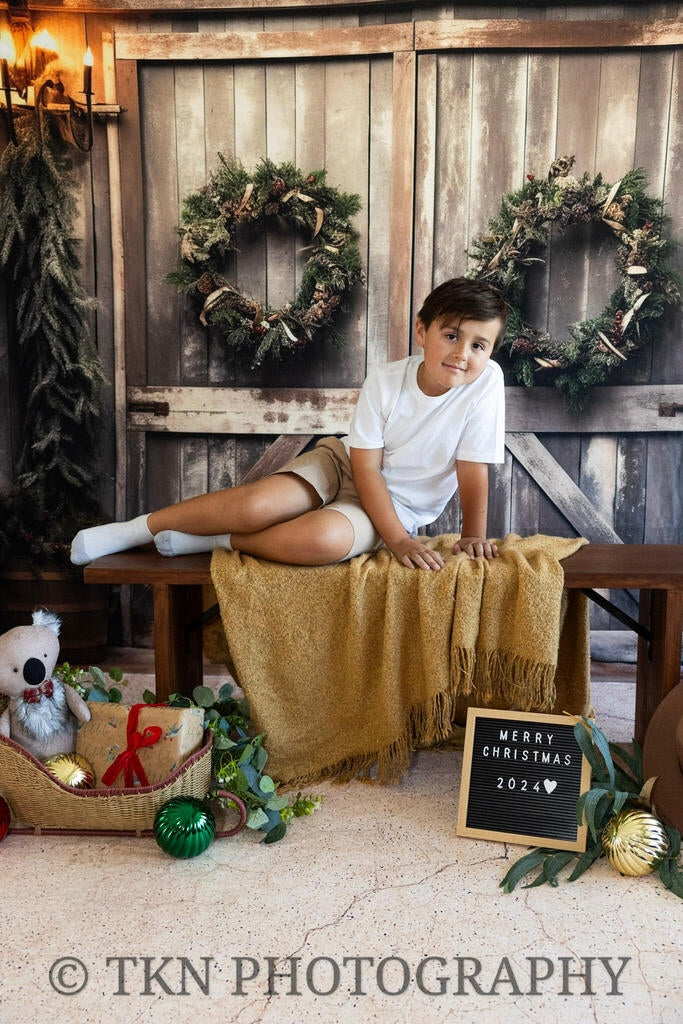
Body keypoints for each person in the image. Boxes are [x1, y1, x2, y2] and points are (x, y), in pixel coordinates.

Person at [70, 277, 508, 571]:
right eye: (451, 336)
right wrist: (398, 544)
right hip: (345, 464)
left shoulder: (486, 385)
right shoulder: (388, 379)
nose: (462, 354)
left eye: (478, 345)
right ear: (421, 331)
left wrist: (468, 535)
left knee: (324, 541)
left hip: (398, 508)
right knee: (256, 506)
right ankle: (136, 528)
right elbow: (366, 468)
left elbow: (473, 468)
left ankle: (223, 540)